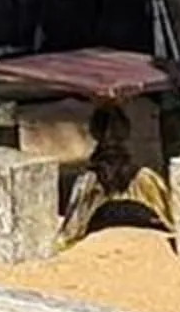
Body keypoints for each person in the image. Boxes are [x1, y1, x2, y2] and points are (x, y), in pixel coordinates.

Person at [60, 102, 173, 247]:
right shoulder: (88, 182)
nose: (110, 136)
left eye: (116, 134)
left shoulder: (144, 178)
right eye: (106, 132)